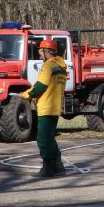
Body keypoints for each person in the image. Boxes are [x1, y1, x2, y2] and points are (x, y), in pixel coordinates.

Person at [22, 36, 69, 178]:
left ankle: (48, 167)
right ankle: (58, 165)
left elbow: (40, 86)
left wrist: (25, 95)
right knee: (49, 137)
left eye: (40, 52)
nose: (39, 54)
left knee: (43, 138)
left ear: (47, 51)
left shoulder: (48, 65)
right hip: (55, 107)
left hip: (46, 107)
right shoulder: (60, 66)